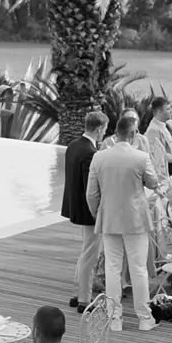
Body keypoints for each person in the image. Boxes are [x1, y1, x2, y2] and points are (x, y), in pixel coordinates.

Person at [86, 110, 162, 330]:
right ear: (133, 134)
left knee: (112, 268)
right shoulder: (140, 157)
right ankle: (144, 318)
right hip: (136, 220)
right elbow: (153, 182)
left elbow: (91, 194)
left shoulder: (99, 157)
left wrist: (97, 213)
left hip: (109, 219)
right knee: (138, 269)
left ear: (116, 133)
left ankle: (115, 318)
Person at [62, 111, 109, 311]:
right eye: (104, 130)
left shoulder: (73, 146)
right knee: (91, 255)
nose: (104, 133)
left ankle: (77, 293)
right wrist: (98, 212)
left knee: (85, 252)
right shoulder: (91, 153)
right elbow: (92, 188)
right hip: (88, 211)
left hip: (75, 206)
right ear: (98, 129)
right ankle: (84, 299)